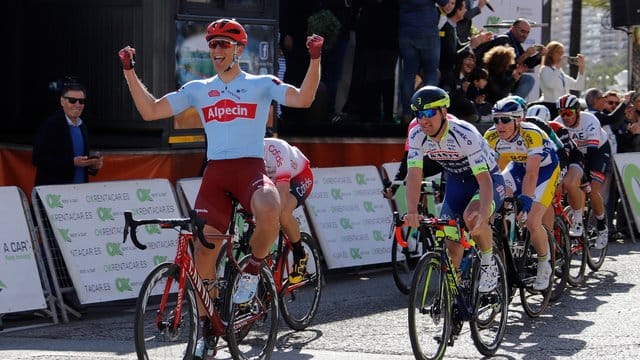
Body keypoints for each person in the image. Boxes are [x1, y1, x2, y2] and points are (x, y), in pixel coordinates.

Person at [118, 18, 322, 358]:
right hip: (216, 173)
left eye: (223, 44)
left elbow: (303, 99)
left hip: (249, 169)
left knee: (272, 205)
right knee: (203, 254)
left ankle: (253, 269)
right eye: (211, 44)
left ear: (238, 49)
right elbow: (150, 111)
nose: (215, 50)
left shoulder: (259, 83)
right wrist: (128, 71)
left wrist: (315, 60)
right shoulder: (199, 88)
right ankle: (207, 330)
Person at [404, 86, 505, 293]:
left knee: (472, 216)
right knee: (452, 245)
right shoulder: (416, 134)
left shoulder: (464, 133)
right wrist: (412, 211)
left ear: (443, 112)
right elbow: (414, 174)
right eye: (418, 114)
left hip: (486, 181)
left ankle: (488, 262)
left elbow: (484, 181)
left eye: (429, 113)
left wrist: (484, 215)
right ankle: (454, 298)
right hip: (456, 183)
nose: (423, 120)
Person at [484, 96, 559, 290]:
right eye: (496, 120)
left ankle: (545, 263)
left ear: (518, 120)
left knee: (533, 220)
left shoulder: (531, 134)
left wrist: (526, 200)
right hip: (517, 168)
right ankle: (495, 257)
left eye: (506, 120)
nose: (500, 125)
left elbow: (532, 173)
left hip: (544, 171)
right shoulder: (491, 136)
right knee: (492, 205)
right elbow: (489, 171)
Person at [552, 94, 611, 249]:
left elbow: (591, 155)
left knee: (592, 189)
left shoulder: (590, 120)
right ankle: (576, 216)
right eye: (561, 113)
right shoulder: (558, 124)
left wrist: (585, 180)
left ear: (578, 111)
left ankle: (601, 225)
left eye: (569, 112)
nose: (565, 117)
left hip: (597, 151)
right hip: (576, 154)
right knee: (569, 184)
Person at [33, 81, 103, 186]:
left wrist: (92, 165)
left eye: (81, 101)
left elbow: (81, 162)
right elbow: (38, 159)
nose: (77, 105)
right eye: (72, 100)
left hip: (79, 192)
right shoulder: (50, 125)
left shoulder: (82, 126)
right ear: (62, 101)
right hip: (55, 193)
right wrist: (72, 162)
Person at [263, 137, 313, 284]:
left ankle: (299, 253)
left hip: (299, 177)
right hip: (272, 181)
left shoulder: (277, 149)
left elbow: (283, 193)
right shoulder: (244, 154)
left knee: (283, 213)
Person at [398, 0, 455, 124]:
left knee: (408, 74)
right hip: (428, 31)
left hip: (406, 31)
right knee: (431, 73)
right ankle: (429, 110)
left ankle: (407, 113)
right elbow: (445, 3)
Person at [475, 18, 545, 100]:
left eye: (527, 33)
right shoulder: (503, 40)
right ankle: (512, 105)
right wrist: (526, 55)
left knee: (528, 79)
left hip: (507, 78)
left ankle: (514, 104)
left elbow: (527, 63)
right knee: (526, 79)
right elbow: (506, 64)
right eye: (522, 31)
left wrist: (540, 55)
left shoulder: (516, 43)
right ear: (512, 28)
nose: (525, 35)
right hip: (494, 79)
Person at [538, 41, 585, 119]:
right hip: (550, 107)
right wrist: (558, 67)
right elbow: (550, 85)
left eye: (562, 52)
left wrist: (581, 68)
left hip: (562, 108)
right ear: (550, 53)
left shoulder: (560, 72)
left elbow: (578, 86)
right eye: (558, 52)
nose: (561, 55)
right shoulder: (545, 69)